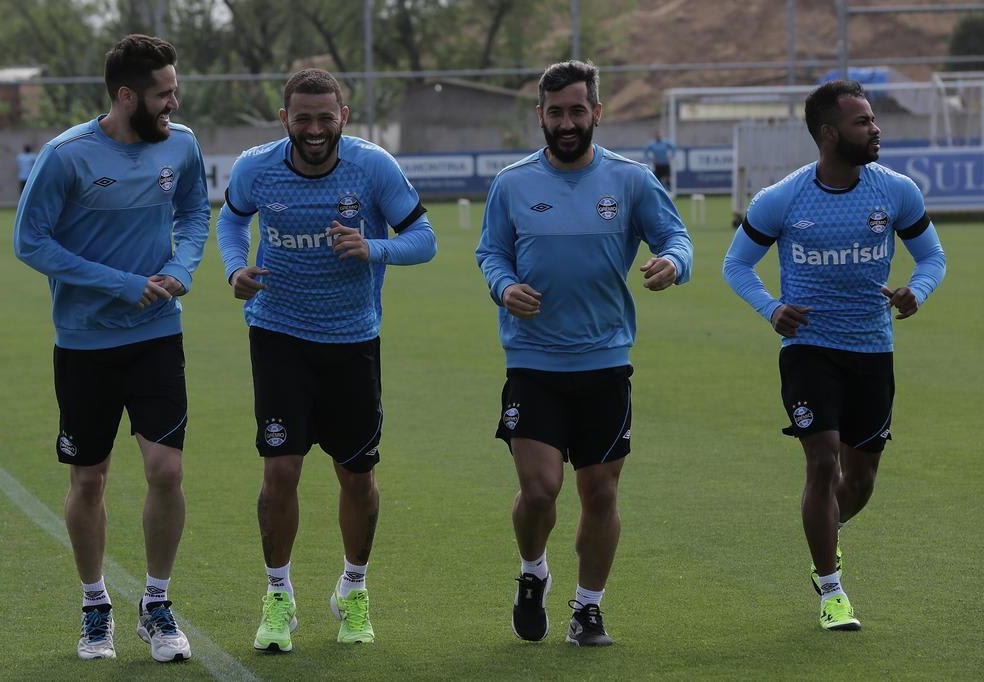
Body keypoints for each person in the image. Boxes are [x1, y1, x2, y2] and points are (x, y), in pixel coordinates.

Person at [216, 68, 436, 652]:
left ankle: (354, 589)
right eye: (302, 118)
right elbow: (232, 217)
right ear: (284, 119)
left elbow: (425, 239)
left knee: (356, 475)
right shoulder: (256, 168)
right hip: (278, 333)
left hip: (351, 339)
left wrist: (374, 246)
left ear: (344, 115)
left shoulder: (372, 167)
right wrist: (235, 267)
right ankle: (278, 595)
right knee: (281, 468)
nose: (315, 129)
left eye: (325, 117)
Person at [475, 60, 693, 647]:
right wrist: (503, 286)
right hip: (533, 361)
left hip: (604, 360)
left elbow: (676, 236)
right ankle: (533, 571)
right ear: (540, 116)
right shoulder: (513, 183)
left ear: (597, 112)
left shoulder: (630, 180)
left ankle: (588, 608)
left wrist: (673, 263)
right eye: (555, 112)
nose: (566, 122)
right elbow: (490, 253)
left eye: (577, 110)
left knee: (599, 492)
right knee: (541, 490)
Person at [722, 80, 945, 631]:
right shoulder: (782, 199)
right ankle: (831, 589)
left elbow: (932, 257)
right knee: (822, 458)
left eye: (872, 120)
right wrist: (772, 309)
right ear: (828, 134)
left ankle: (823, 530)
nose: (875, 130)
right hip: (809, 349)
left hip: (872, 349)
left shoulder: (897, 191)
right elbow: (735, 266)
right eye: (863, 122)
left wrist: (917, 291)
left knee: (862, 479)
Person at [13, 34, 209, 662]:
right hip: (85, 343)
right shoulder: (65, 155)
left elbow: (196, 212)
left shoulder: (181, 145)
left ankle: (157, 603)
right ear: (127, 96)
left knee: (167, 470)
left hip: (158, 336)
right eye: (163, 94)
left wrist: (182, 265)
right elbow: (30, 241)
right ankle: (95, 604)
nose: (173, 102)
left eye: (174, 90)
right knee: (90, 479)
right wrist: (124, 285)